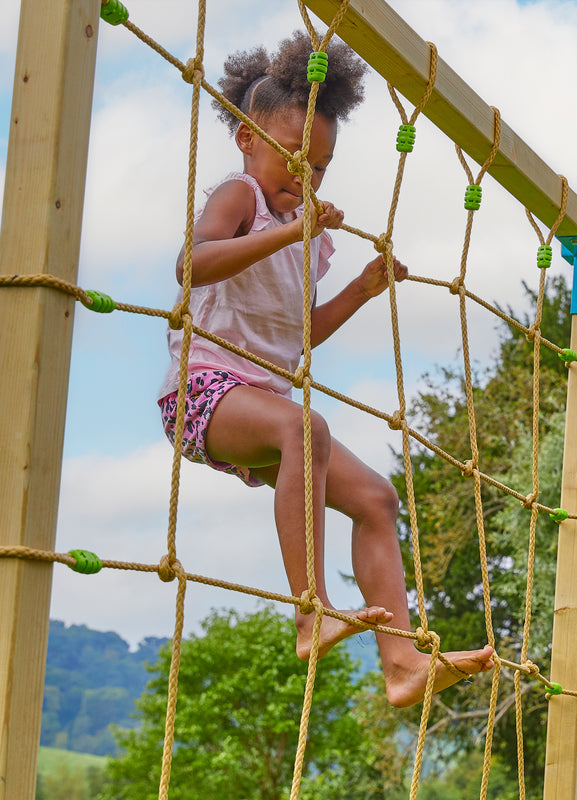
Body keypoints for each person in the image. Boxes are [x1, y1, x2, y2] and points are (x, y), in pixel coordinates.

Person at [158, 32, 494, 708]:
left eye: (320, 165)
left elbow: (301, 332)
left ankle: (401, 666)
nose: (303, 175)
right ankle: (310, 613)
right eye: (290, 155)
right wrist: (289, 231)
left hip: (265, 403)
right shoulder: (242, 196)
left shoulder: (310, 238)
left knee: (376, 499)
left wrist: (362, 289)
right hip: (203, 394)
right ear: (248, 140)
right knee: (304, 428)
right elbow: (191, 265)